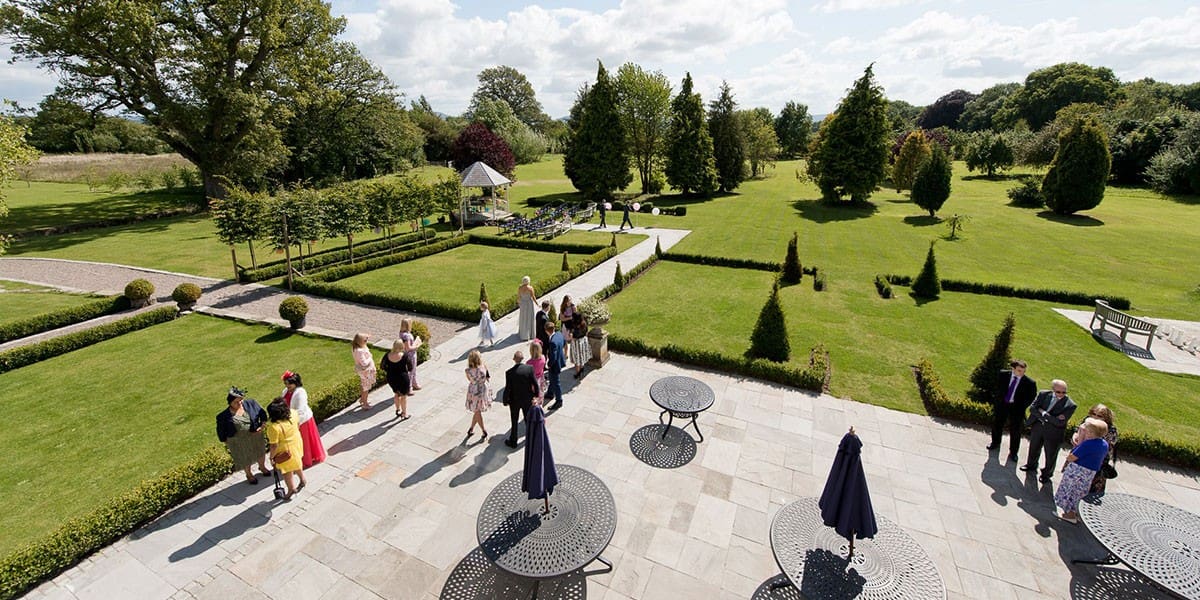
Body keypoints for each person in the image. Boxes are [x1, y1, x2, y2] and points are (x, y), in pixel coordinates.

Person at [1021, 379, 1077, 483]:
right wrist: (1048, 417)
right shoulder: (1043, 394)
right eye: (1058, 392)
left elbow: (1059, 423)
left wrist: (1043, 413)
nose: (1061, 394)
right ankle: (1031, 465)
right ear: (1053, 390)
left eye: (1064, 392)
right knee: (1034, 448)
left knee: (1050, 455)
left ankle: (1046, 474)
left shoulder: (1070, 405)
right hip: (1038, 427)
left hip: (1054, 433)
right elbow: (1033, 408)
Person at [1054, 418, 1110, 523]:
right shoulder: (1104, 444)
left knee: (1071, 491)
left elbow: (1072, 457)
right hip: (1089, 474)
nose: (1086, 433)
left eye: (1088, 431)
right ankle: (1075, 514)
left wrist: (1079, 440)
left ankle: (1069, 515)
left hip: (1077, 471)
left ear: (1093, 433)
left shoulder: (1088, 444)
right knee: (1080, 493)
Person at [216, 386, 271, 484]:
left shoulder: (251, 403)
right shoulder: (223, 416)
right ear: (230, 403)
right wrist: (225, 441)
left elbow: (262, 413)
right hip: (239, 440)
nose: (239, 403)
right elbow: (221, 431)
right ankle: (249, 474)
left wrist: (262, 425)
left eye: (240, 401)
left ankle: (262, 467)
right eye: (236, 402)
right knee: (245, 458)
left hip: (255, 435)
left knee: (260, 452)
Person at [988, 359, 1037, 461]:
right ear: (1013, 369)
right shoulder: (1003, 375)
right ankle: (995, 443)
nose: (1021, 373)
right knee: (997, 424)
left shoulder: (1029, 383)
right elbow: (996, 387)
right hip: (1002, 405)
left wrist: (1022, 406)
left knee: (1015, 431)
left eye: (1023, 371)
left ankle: (1013, 452)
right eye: (1019, 371)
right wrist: (997, 400)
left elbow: (1031, 396)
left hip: (1017, 409)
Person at [281, 371, 326, 468]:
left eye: (289, 384)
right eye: (286, 384)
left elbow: (300, 411)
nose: (287, 386)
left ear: (295, 383)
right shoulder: (285, 391)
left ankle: (307, 459)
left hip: (302, 421)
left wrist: (295, 424)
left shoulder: (300, 393)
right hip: (292, 419)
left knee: (304, 442)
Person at [266, 398, 307, 499]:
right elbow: (297, 426)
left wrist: (271, 457)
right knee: (297, 463)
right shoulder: (293, 413)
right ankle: (302, 479)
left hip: (285, 450)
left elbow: (274, 445)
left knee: (287, 471)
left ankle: (291, 489)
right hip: (296, 443)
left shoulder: (274, 427)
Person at [503, 350, 539, 448]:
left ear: (514, 359)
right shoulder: (529, 369)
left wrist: (505, 400)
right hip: (527, 399)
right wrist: (536, 395)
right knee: (528, 420)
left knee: (514, 421)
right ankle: (531, 438)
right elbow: (535, 384)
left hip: (514, 401)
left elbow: (508, 388)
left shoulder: (509, 373)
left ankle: (513, 441)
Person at [1087, 404, 1119, 495]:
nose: (1095, 417)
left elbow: (1105, 446)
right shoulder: (1087, 421)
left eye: (1099, 416)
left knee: (1093, 489)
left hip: (1098, 460)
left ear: (1106, 417)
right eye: (1094, 414)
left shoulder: (1110, 430)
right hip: (1082, 456)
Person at [380, 339, 413, 419]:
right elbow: (410, 367)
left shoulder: (387, 355)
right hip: (402, 377)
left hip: (391, 377)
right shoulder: (404, 355)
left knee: (396, 394)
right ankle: (404, 413)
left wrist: (389, 370)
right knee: (404, 396)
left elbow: (382, 366)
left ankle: (397, 409)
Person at [464, 350, 492, 438]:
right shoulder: (484, 367)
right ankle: (476, 429)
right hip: (483, 390)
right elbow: (488, 377)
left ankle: (479, 430)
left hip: (473, 391)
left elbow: (470, 380)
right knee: (477, 411)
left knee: (477, 411)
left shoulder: (467, 371)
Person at [351, 333, 376, 410]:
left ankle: (362, 399)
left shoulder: (357, 347)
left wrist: (367, 336)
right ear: (360, 341)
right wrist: (370, 357)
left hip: (364, 372)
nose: (366, 341)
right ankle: (365, 403)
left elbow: (364, 338)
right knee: (366, 388)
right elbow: (364, 363)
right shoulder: (360, 351)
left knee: (363, 385)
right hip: (365, 372)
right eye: (365, 340)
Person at [545, 321, 566, 410]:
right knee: (552, 378)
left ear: (546, 331)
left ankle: (559, 401)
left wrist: (548, 365)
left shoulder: (552, 342)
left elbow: (553, 357)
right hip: (560, 360)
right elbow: (564, 343)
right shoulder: (559, 334)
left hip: (555, 364)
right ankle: (550, 393)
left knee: (555, 382)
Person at [398, 318, 423, 391]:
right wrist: (417, 345)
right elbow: (408, 348)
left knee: (412, 370)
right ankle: (409, 387)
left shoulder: (401, 333)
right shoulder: (407, 336)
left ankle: (414, 383)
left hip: (406, 354)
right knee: (411, 370)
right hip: (410, 355)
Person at [568, 312, 589, 377]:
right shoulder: (584, 323)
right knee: (582, 355)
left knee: (576, 358)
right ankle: (582, 368)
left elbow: (571, 337)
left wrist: (570, 334)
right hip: (583, 341)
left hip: (576, 343)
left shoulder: (575, 327)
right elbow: (586, 332)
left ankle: (578, 373)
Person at [518, 276, 538, 341]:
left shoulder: (520, 288)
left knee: (523, 318)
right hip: (529, 304)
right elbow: (533, 296)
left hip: (523, 304)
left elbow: (518, 297)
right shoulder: (530, 288)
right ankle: (530, 334)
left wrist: (519, 303)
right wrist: (537, 303)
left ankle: (523, 334)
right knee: (529, 318)